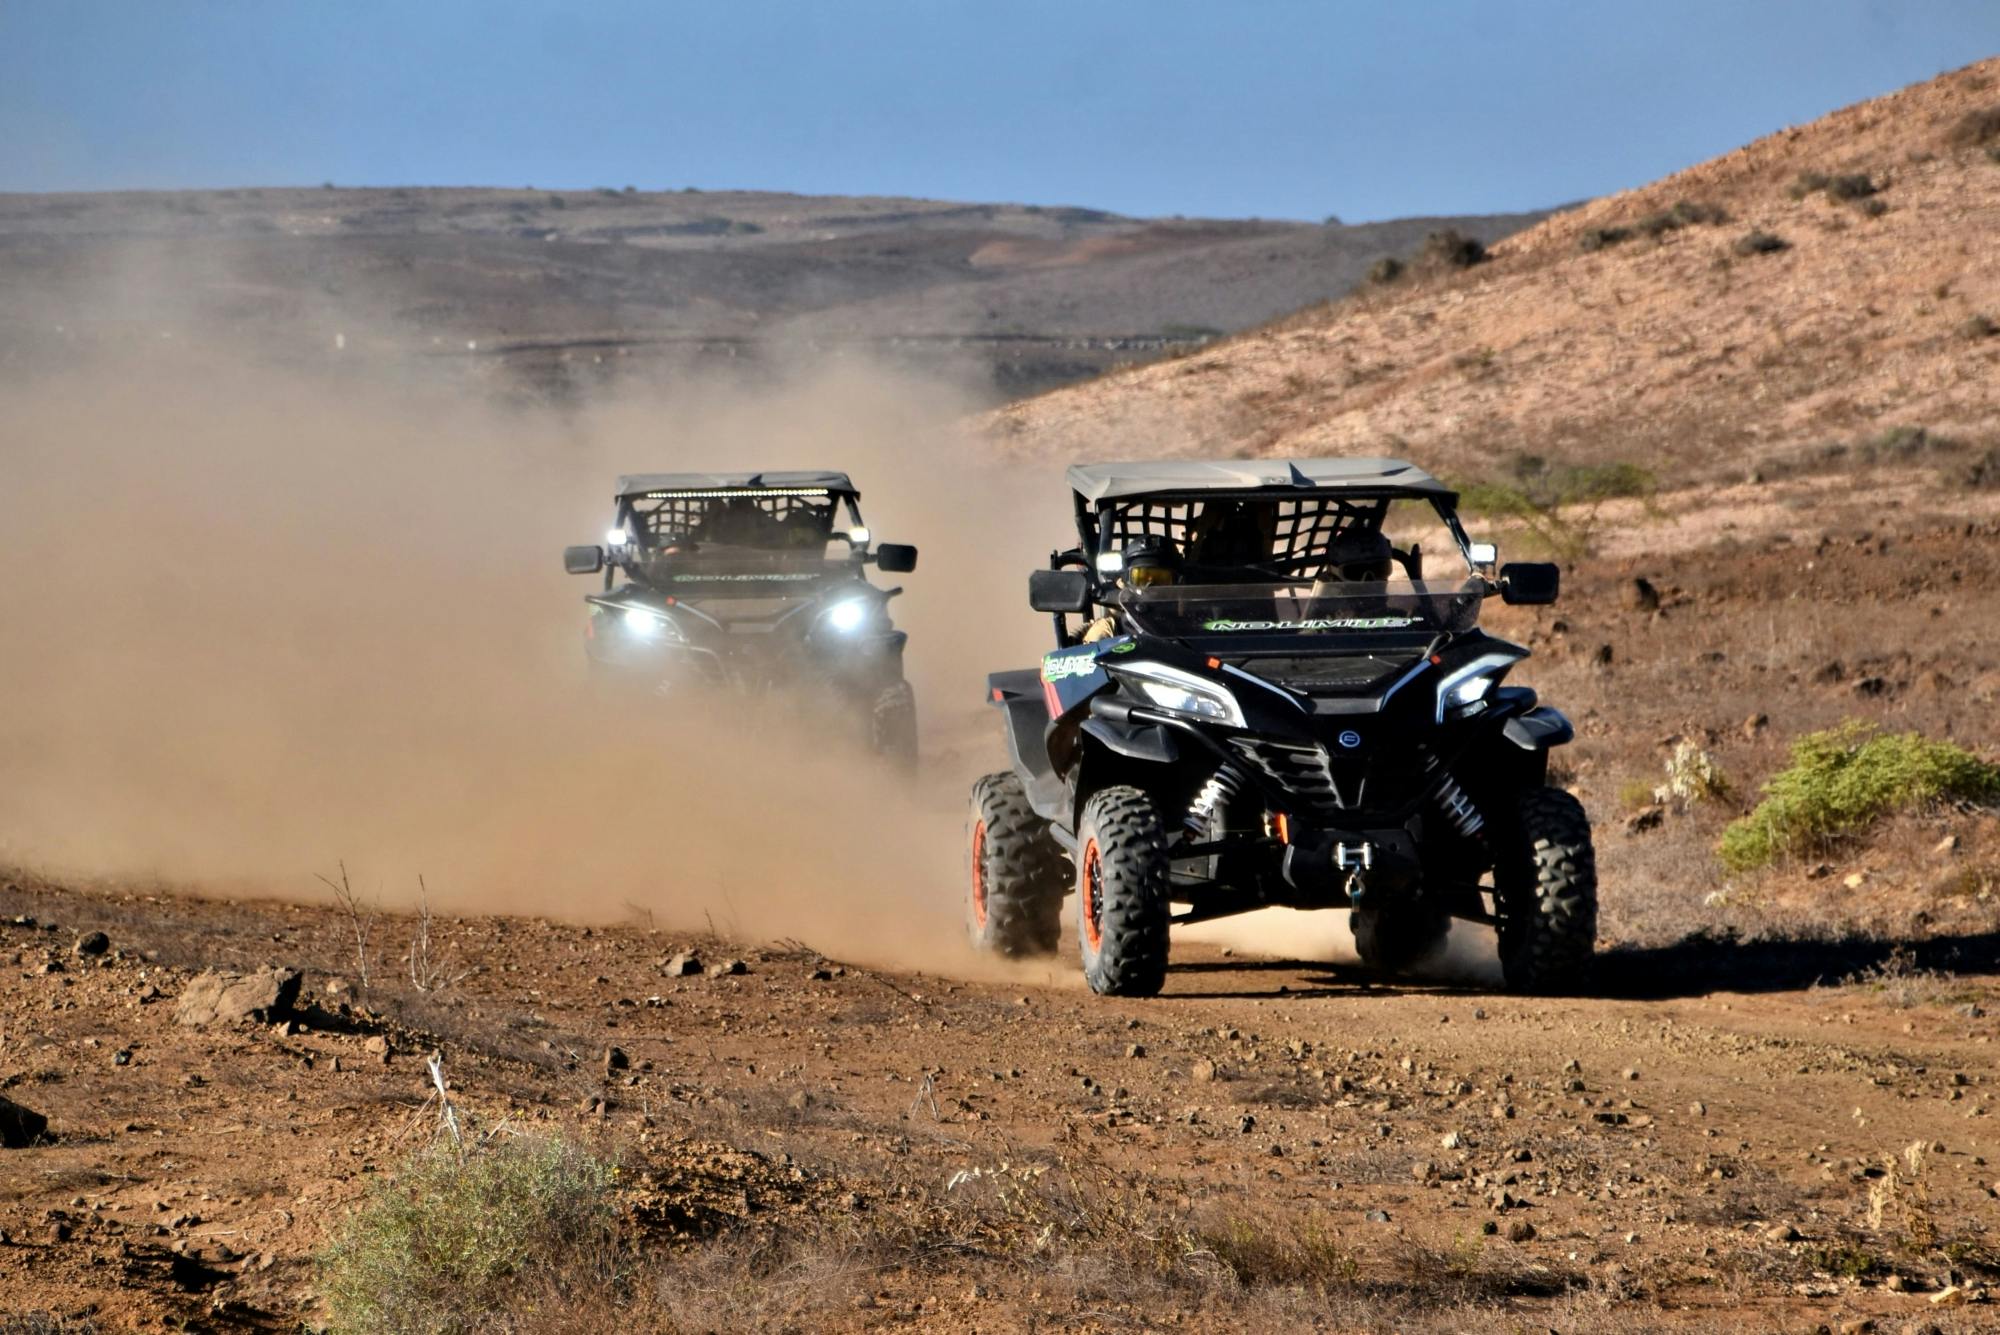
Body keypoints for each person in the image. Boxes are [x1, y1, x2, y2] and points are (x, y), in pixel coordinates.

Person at [1082, 537, 1181, 642]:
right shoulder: (1109, 629)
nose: (1150, 586)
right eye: (1141, 578)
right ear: (1125, 581)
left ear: (1177, 582)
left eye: (1161, 578)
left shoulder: (1192, 623)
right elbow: (1090, 654)